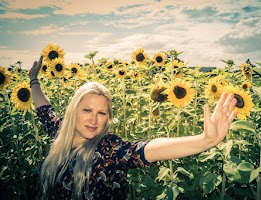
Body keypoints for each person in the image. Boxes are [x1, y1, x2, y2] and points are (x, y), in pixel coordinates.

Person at [29, 56, 238, 200]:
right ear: (73, 110)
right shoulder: (60, 134)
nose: (94, 120)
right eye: (86, 110)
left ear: (107, 118)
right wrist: (33, 80)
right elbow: (44, 110)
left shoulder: (107, 149)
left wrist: (205, 140)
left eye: (101, 113)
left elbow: (146, 150)